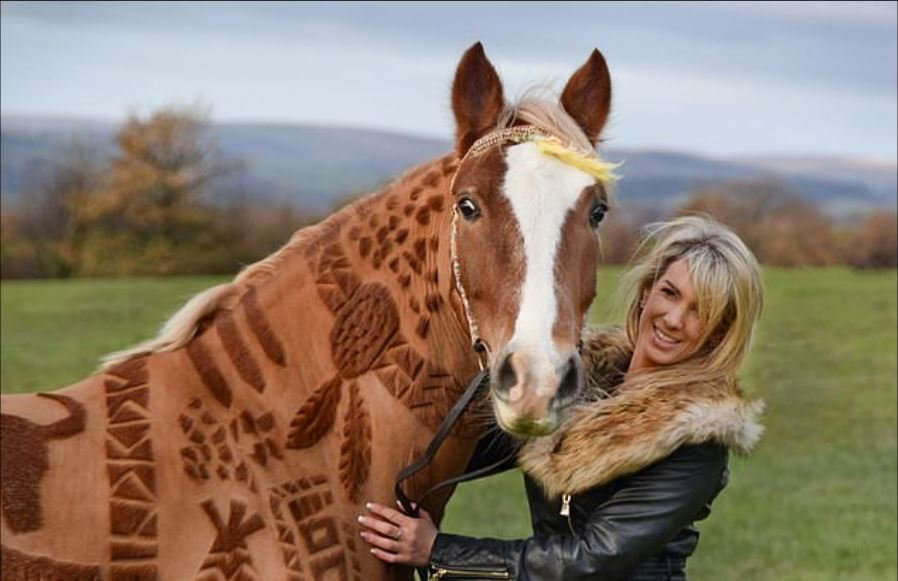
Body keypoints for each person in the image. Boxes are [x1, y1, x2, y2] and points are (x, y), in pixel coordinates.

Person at [358, 215, 765, 580]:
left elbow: (592, 559)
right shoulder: (575, 377)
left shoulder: (695, 440)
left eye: (700, 311)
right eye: (670, 293)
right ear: (646, 292)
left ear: (719, 331)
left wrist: (438, 550)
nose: (674, 319)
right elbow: (467, 442)